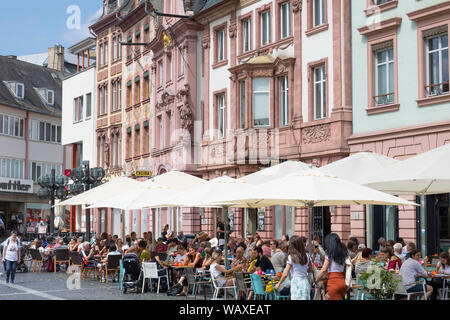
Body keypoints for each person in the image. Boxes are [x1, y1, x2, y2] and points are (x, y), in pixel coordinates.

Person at [275, 235, 313, 300]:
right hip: (305, 282)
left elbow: (285, 274)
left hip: (296, 283)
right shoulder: (307, 256)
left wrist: (279, 283)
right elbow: (310, 270)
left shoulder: (291, 257)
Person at [315, 233, 349, 300]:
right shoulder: (343, 253)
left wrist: (316, 281)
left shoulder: (329, 254)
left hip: (333, 283)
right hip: (342, 282)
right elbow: (345, 269)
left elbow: (324, 269)